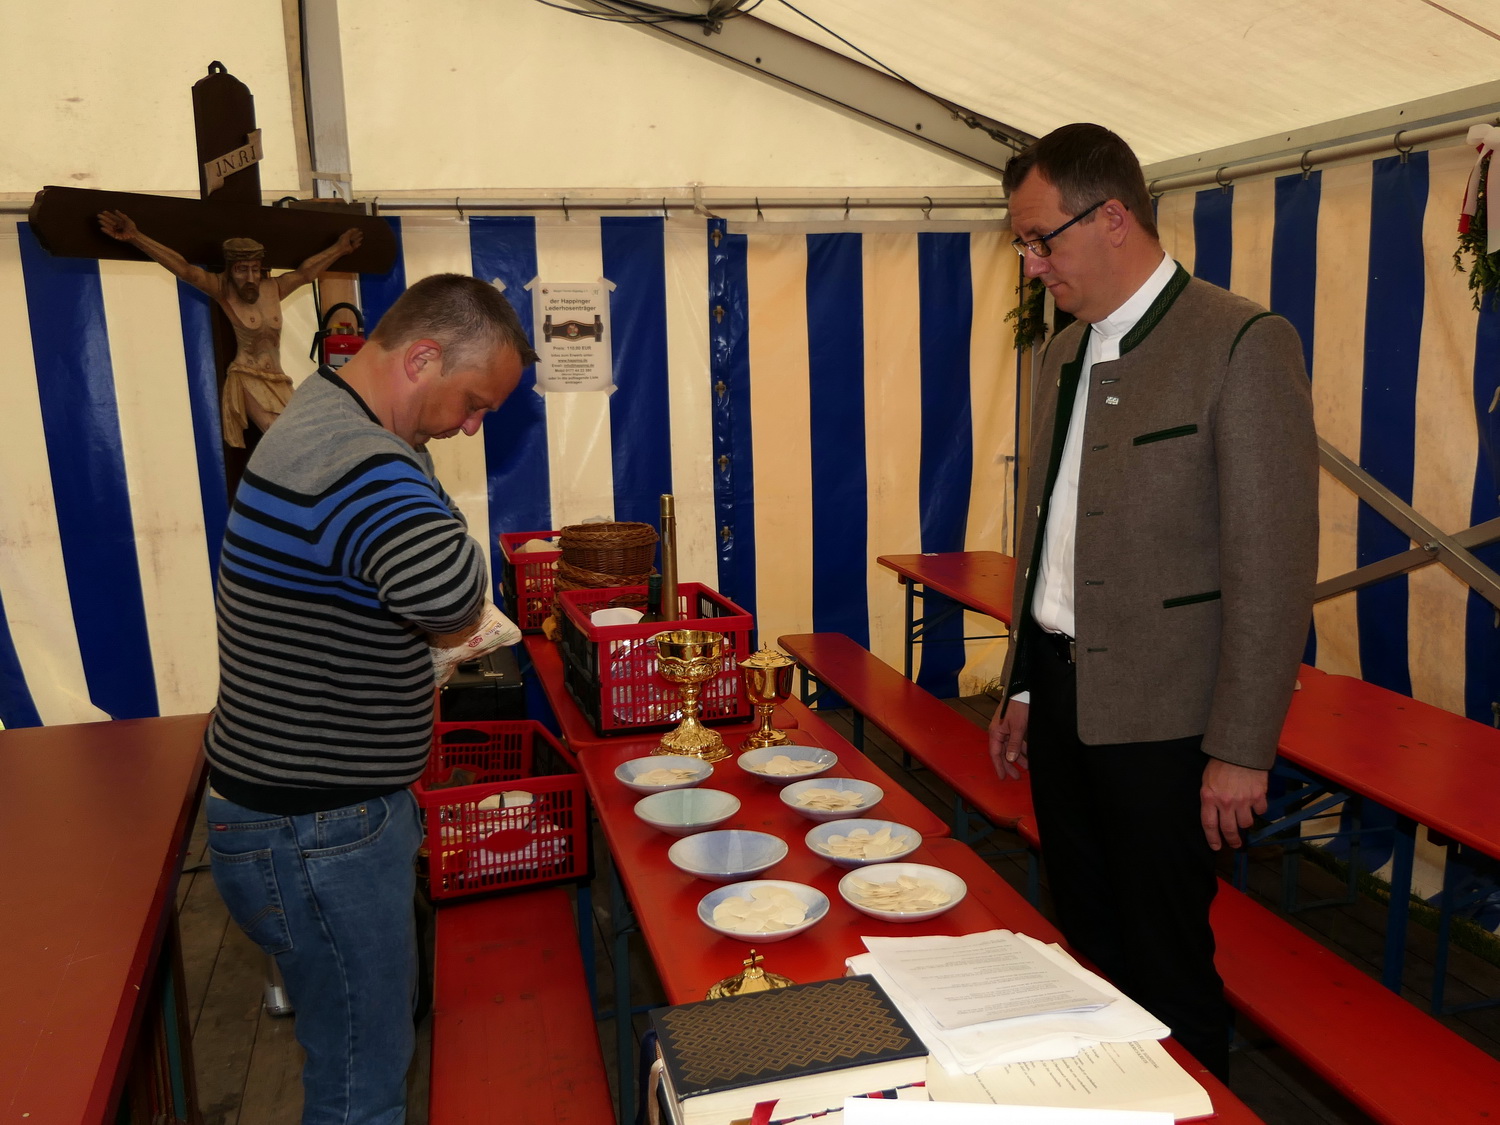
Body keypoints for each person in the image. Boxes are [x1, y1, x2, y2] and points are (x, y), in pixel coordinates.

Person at [987, 123, 1317, 1080]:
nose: (1032, 264)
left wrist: (1242, 747)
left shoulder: (1240, 341)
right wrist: (1025, 685)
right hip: (1062, 696)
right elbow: (1047, 538)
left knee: (1167, 964)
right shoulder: (1062, 354)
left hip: (1169, 721)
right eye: (1024, 243)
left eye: (1041, 239)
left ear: (1114, 218)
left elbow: (1273, 566)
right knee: (1088, 945)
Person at [200, 273, 538, 1124]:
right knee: (362, 1080)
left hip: (297, 817)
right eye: (474, 402)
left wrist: (418, 466)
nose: (471, 425)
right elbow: (455, 595)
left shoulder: (326, 408)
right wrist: (426, 485)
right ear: (421, 358)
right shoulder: (362, 462)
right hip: (320, 830)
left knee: (355, 1054)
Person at [96, 209, 362, 446]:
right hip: (247, 376)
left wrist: (340, 249)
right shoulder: (222, 289)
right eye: (241, 270)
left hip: (280, 379)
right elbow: (185, 270)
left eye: (255, 269)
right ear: (229, 270)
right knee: (279, 434)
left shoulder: (273, 288)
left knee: (308, 434)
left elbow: (305, 273)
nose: (250, 277)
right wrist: (136, 237)